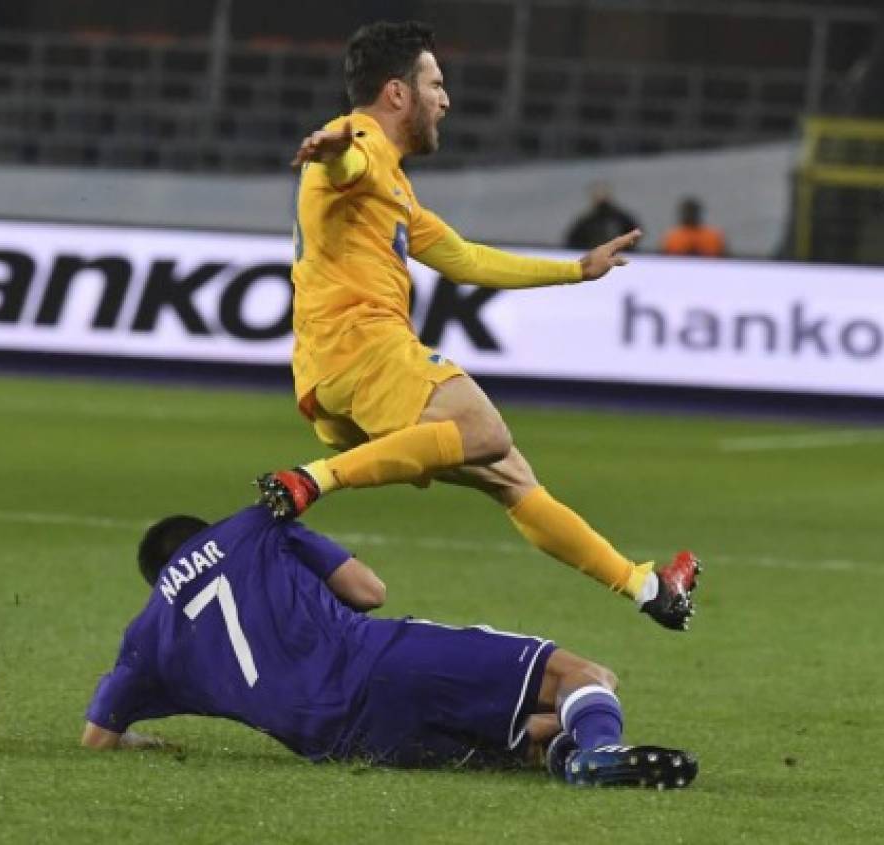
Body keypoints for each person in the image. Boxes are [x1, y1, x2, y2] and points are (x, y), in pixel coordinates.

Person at [257, 20, 699, 631]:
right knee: (481, 429)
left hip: (329, 370)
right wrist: (333, 149)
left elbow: (465, 259)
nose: (446, 99)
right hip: (363, 349)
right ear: (396, 94)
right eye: (434, 83)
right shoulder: (362, 146)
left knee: (509, 473)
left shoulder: (396, 190)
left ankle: (648, 587)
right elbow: (344, 159)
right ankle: (311, 480)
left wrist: (576, 269)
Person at [79, 507, 701, 789]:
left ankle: (567, 755)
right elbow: (369, 591)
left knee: (523, 739)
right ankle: (600, 749)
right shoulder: (252, 528)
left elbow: (99, 738)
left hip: (327, 740)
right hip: (371, 660)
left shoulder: (145, 636)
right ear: (203, 531)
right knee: (582, 674)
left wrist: (142, 739)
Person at [564, 182, 643, 251]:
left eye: (602, 193)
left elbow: (636, 233)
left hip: (622, 257)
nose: (600, 198)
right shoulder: (586, 222)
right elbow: (573, 240)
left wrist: (626, 249)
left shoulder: (621, 219)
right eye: (597, 194)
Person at [660, 197, 727, 257]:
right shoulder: (672, 237)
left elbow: (725, 259)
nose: (689, 216)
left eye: (692, 212)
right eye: (687, 213)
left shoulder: (713, 236)